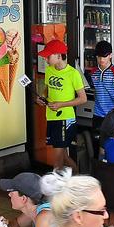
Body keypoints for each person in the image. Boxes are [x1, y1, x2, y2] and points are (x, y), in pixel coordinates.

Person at [36, 39, 86, 172]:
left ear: (59, 56)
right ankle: (79, 180)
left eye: (48, 56)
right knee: (63, 156)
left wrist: (61, 105)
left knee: (57, 161)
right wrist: (42, 97)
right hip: (51, 117)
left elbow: (83, 98)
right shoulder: (49, 70)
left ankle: (56, 189)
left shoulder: (73, 74)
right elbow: (47, 89)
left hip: (65, 119)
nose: (46, 59)